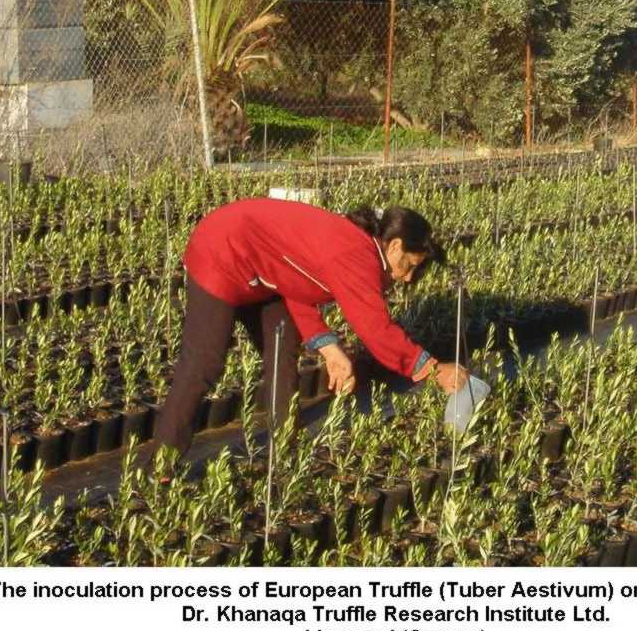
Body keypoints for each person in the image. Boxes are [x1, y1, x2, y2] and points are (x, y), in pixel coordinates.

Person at [153, 197, 468, 460]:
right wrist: (433, 369)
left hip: (264, 271)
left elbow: (298, 287)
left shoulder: (357, 246)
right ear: (395, 245)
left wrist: (330, 351)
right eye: (411, 265)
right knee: (204, 361)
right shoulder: (357, 254)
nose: (409, 277)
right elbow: (375, 330)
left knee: (282, 348)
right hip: (222, 250)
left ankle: (285, 446)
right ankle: (162, 467)